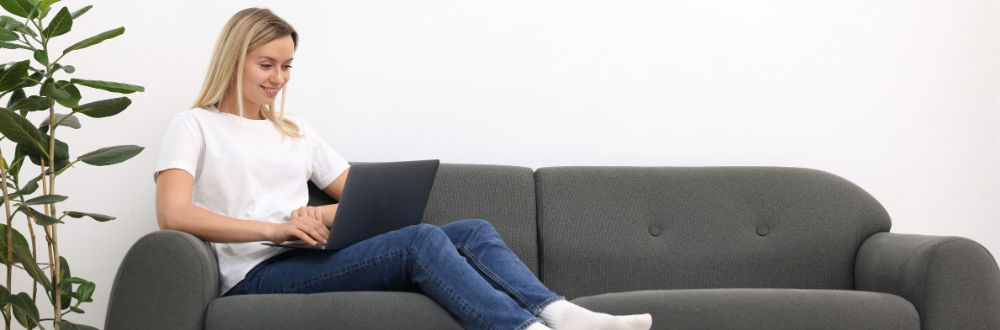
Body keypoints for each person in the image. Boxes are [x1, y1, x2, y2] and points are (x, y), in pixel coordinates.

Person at [154, 8, 653, 330]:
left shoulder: (295, 131)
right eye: (267, 65)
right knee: (420, 240)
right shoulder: (194, 125)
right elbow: (173, 214)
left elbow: (361, 199)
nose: (279, 79)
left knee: (474, 230)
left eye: (287, 67)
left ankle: (562, 314)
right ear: (234, 59)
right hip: (254, 273)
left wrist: (314, 217)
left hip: (306, 256)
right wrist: (276, 227)